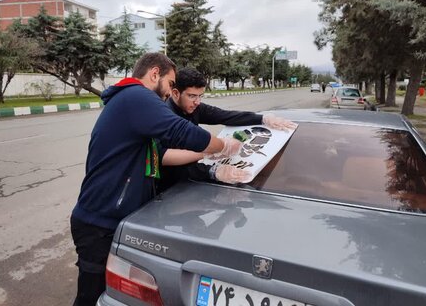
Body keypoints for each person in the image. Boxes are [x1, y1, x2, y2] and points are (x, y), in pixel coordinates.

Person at [70, 53, 242, 305]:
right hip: (98, 221)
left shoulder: (131, 101)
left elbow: (162, 156)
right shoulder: (136, 96)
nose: (171, 91)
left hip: (116, 219)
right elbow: (181, 131)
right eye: (171, 83)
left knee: (116, 295)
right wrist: (221, 145)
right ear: (154, 74)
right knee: (91, 296)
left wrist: (207, 155)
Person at [161, 67, 296, 187]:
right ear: (176, 93)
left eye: (200, 96)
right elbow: (167, 163)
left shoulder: (194, 107)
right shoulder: (165, 118)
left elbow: (226, 115)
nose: (197, 102)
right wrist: (212, 171)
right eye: (192, 96)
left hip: (192, 182)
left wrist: (262, 119)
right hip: (168, 186)